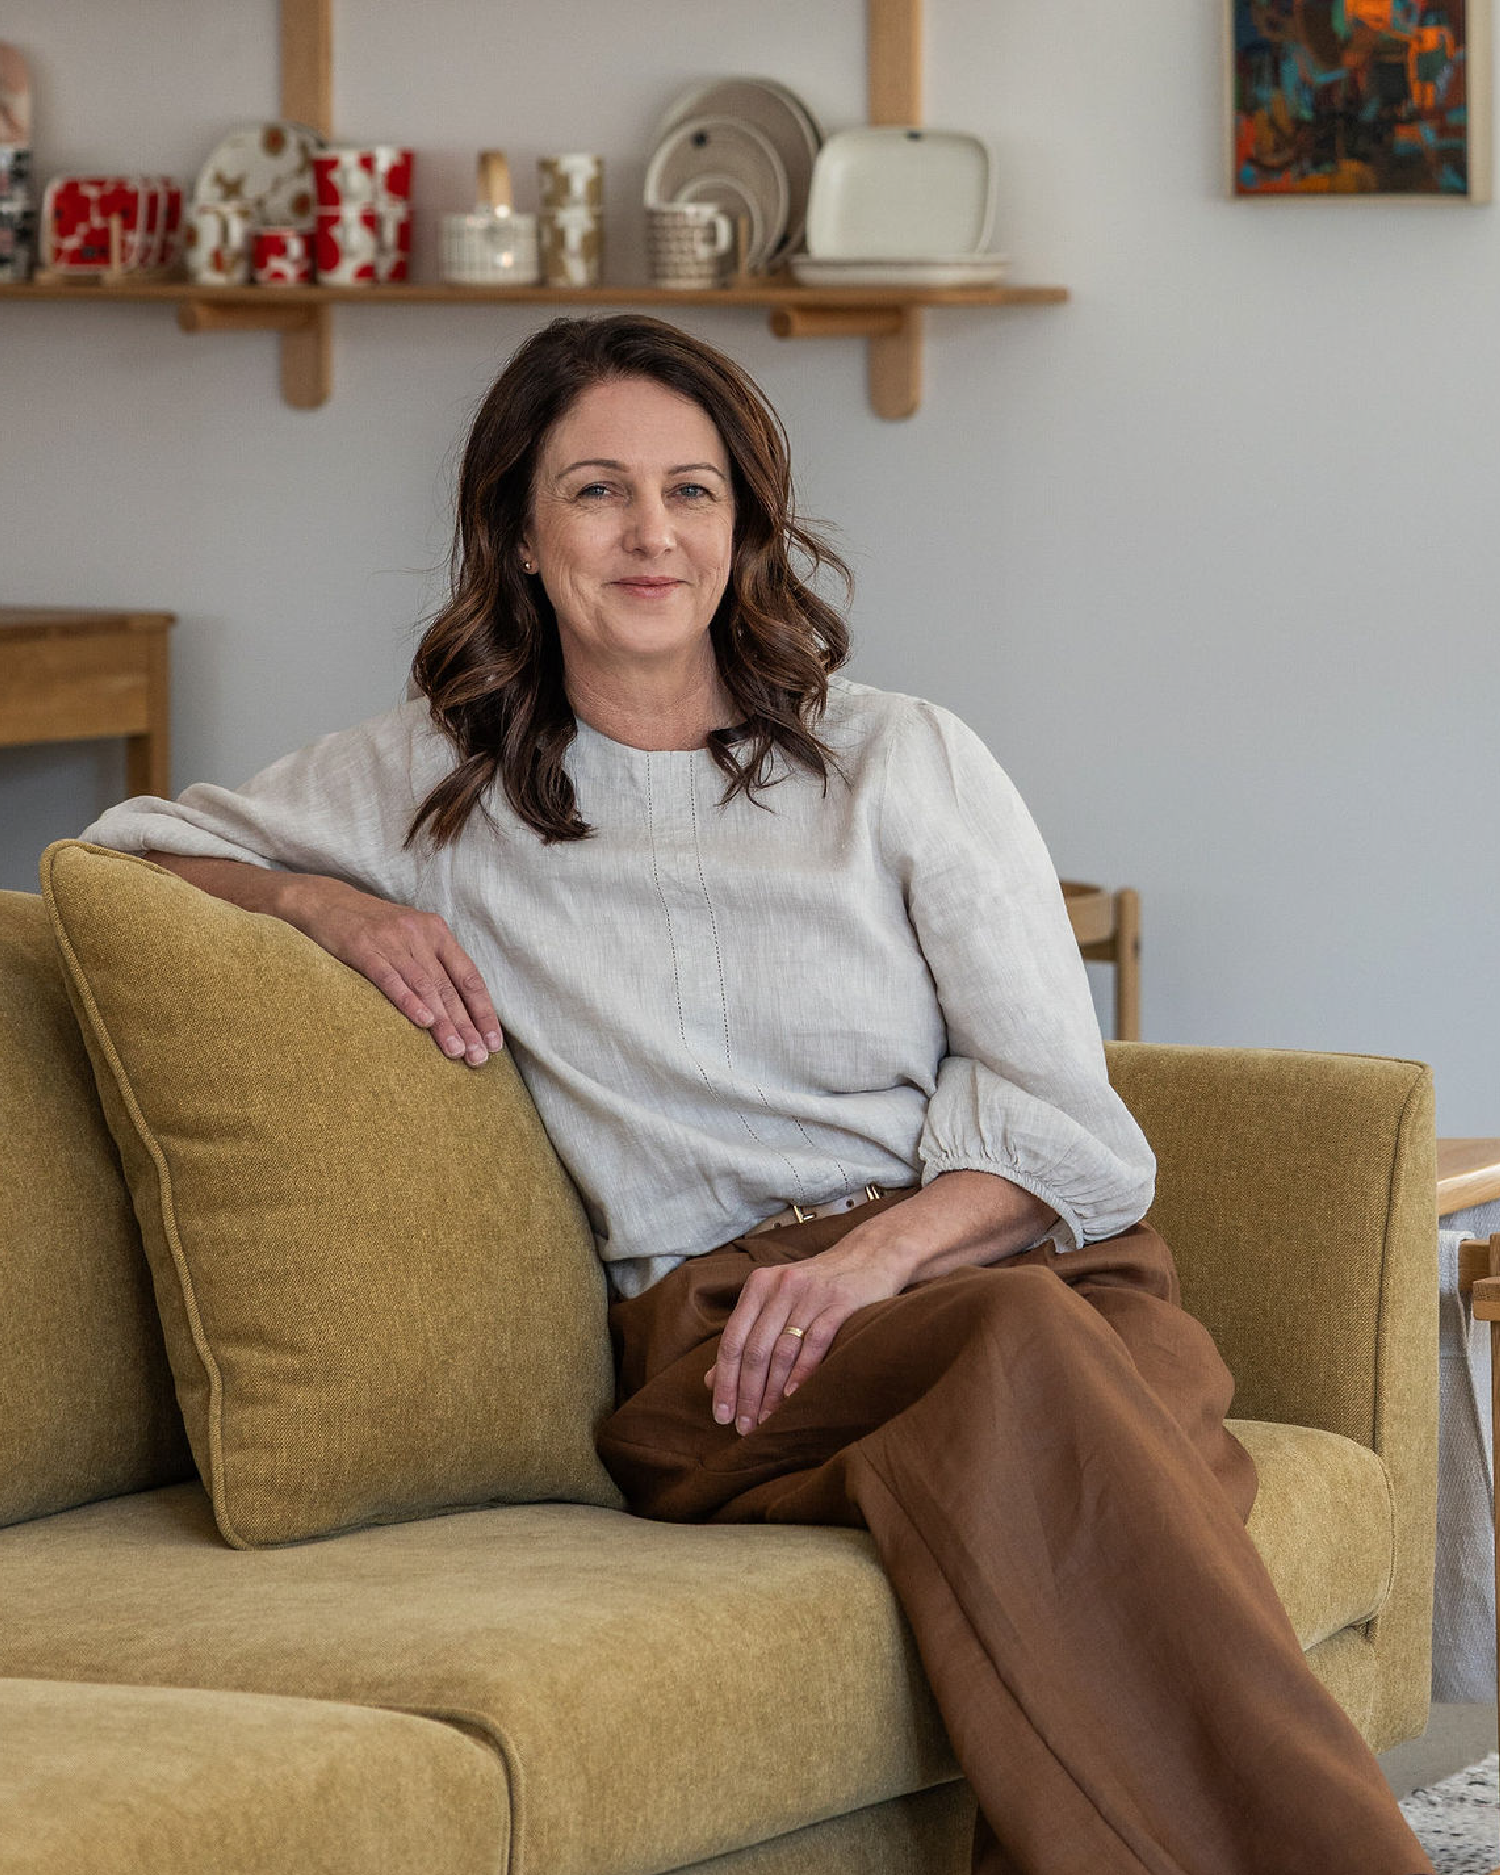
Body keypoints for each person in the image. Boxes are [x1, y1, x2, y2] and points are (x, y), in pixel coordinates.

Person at [79, 314, 1433, 1875]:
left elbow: (1067, 1116)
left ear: (745, 526)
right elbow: (124, 849)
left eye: (693, 491)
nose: (651, 534)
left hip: (1006, 1268)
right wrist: (322, 904)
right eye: (598, 491)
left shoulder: (902, 759)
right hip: (734, 1349)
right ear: (519, 532)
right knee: (1058, 1393)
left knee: (1055, 1385)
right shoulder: (434, 786)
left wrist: (875, 1261)